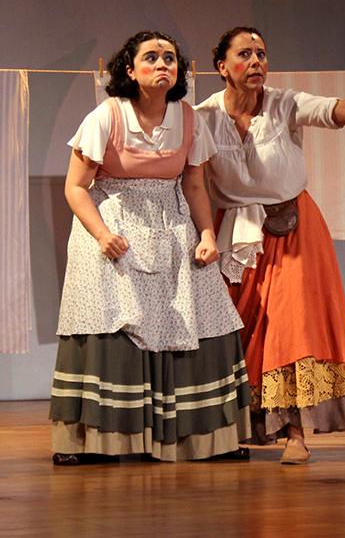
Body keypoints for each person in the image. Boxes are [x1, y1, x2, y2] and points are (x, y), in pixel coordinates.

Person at [195, 26, 345, 464]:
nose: (256, 62)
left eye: (261, 53)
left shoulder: (284, 104)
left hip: (293, 230)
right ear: (222, 67)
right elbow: (190, 178)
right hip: (237, 235)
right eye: (245, 54)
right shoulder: (203, 118)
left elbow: (341, 109)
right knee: (242, 330)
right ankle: (235, 430)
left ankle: (296, 435)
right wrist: (204, 235)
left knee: (293, 328)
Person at [49, 30, 251, 465]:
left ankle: (202, 438)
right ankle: (96, 442)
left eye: (170, 58)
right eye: (152, 57)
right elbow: (76, 187)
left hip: (170, 224)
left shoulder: (188, 119)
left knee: (201, 314)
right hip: (111, 224)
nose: (163, 64)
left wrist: (207, 235)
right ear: (129, 69)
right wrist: (102, 235)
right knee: (109, 322)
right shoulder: (106, 116)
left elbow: (194, 184)